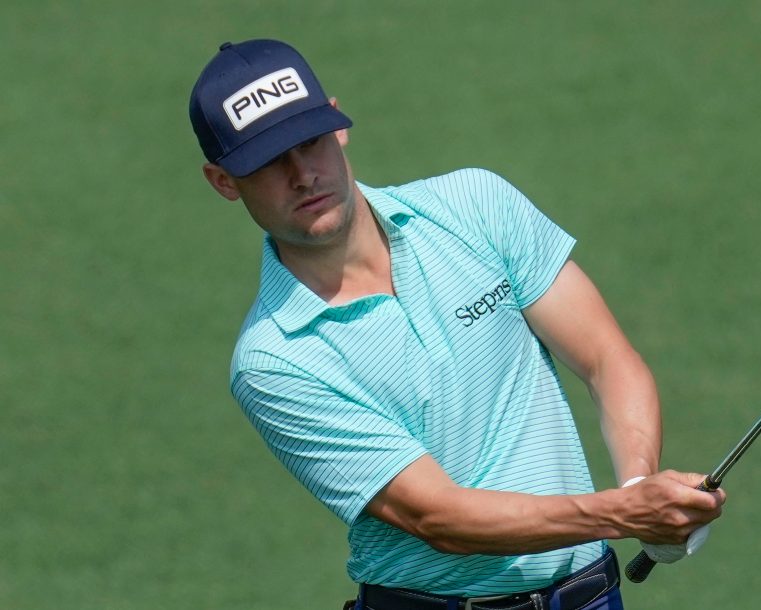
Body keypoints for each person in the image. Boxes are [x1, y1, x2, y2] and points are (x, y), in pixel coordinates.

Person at [189, 39, 725, 610]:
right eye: (269, 161)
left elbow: (604, 358)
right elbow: (438, 517)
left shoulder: (474, 204)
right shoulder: (274, 360)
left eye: (310, 142)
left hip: (591, 596)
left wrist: (638, 488)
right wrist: (618, 515)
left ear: (339, 127)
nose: (302, 175)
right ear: (224, 181)